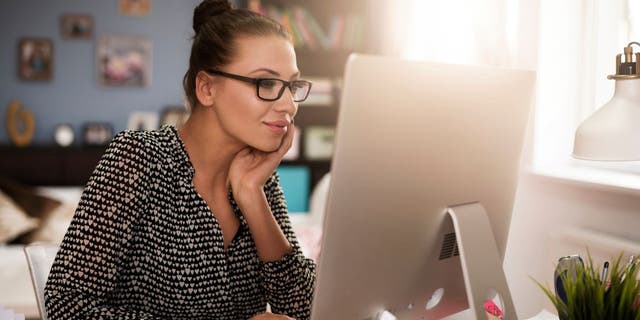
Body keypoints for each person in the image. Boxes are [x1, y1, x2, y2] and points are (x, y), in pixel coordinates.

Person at [44, 0, 316, 319]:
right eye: (266, 83)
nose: (289, 105)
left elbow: (304, 309)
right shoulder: (138, 157)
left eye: (292, 85)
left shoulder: (258, 174)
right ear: (206, 88)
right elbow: (65, 304)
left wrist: (252, 197)